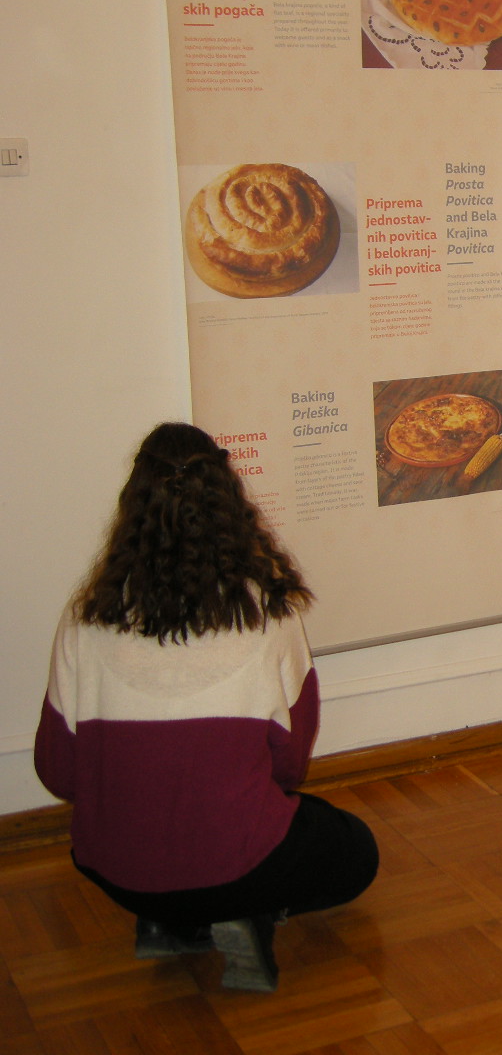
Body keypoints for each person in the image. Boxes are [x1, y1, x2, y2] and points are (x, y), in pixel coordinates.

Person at [33, 423, 378, 992]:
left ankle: (168, 917)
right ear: (229, 502)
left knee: (192, 850)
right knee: (355, 849)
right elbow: (289, 767)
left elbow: (58, 772)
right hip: (234, 862)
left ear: (133, 506)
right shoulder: (268, 613)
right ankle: (245, 913)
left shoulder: (86, 619)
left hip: (116, 869)